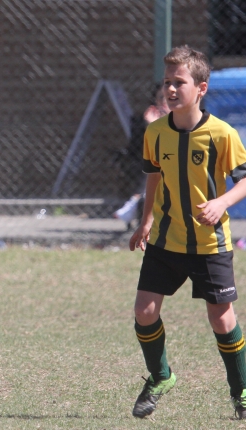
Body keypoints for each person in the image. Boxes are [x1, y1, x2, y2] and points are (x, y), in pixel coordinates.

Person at [129, 45, 246, 420]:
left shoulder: (221, 134)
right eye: (167, 82)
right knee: (144, 311)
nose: (171, 89)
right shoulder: (156, 132)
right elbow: (153, 178)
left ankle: (241, 390)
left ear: (202, 88)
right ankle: (161, 376)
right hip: (166, 239)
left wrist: (222, 202)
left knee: (221, 319)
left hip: (210, 244)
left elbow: (244, 181)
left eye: (180, 82)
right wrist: (145, 221)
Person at [114, 84, 172, 226]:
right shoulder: (149, 115)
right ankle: (135, 204)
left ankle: (132, 205)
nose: (164, 100)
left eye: (168, 97)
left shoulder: (180, 115)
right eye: (160, 97)